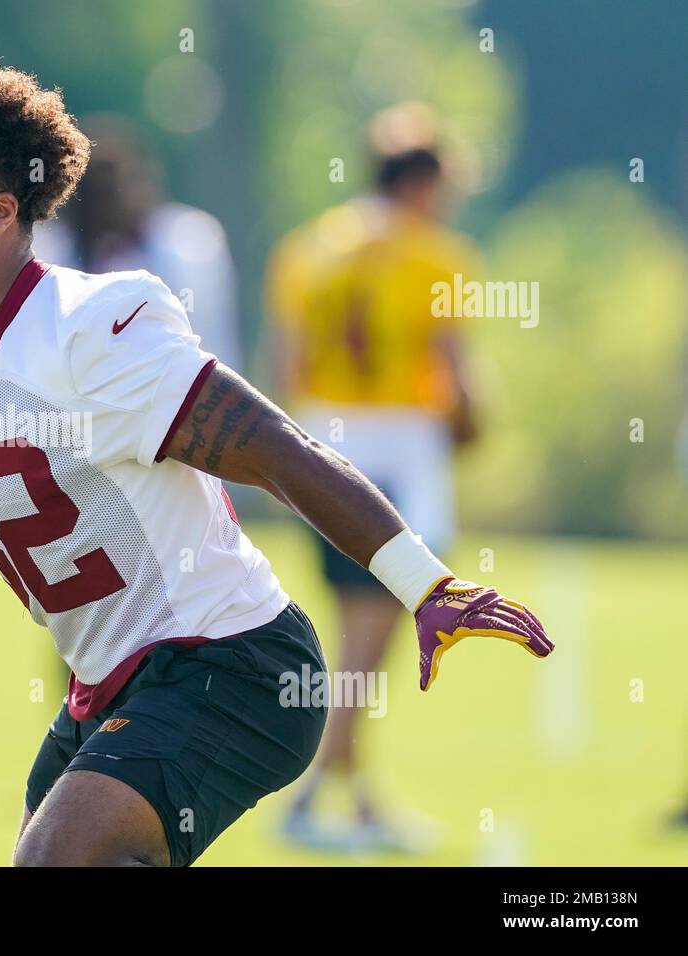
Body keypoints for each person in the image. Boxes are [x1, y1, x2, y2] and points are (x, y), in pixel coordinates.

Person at [0, 65, 552, 867]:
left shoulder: (94, 326)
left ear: (2, 214)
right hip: (102, 693)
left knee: (57, 856)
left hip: (235, 661)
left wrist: (425, 585)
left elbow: (280, 453)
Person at [265, 104, 482, 853]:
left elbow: (285, 367)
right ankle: (313, 793)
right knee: (372, 637)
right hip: (402, 454)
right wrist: (470, 423)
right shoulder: (437, 256)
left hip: (321, 444)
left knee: (361, 633)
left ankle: (354, 800)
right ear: (423, 180)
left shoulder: (309, 248)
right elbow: (453, 377)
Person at [32, 115, 244, 373]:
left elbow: (204, 333)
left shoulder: (186, 242)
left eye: (113, 191)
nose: (108, 206)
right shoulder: (51, 250)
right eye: (97, 195)